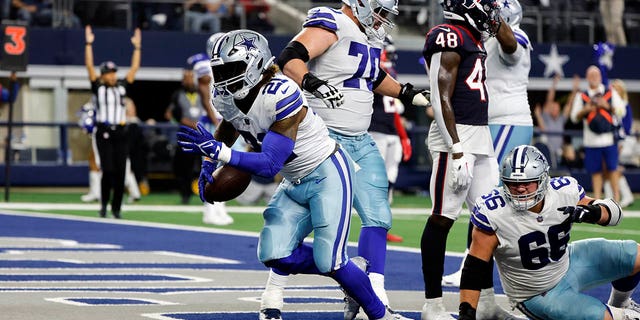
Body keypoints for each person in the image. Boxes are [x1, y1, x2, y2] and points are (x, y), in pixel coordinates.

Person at [177, 29, 398, 320]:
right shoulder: (225, 95)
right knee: (273, 253)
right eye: (220, 71)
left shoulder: (281, 93)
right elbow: (231, 125)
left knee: (329, 259)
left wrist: (220, 153)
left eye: (231, 69)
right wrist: (209, 163)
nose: (224, 79)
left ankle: (381, 315)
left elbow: (269, 165)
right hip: (295, 179)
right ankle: (352, 270)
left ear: (255, 64)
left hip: (327, 173)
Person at [259, 0, 430, 319]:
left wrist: (407, 93)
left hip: (360, 140)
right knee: (301, 216)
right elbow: (290, 58)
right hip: (322, 140)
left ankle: (374, 296)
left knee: (378, 213)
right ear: (360, 4)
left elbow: (370, 76)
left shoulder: (364, 38)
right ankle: (273, 293)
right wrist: (313, 83)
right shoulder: (332, 22)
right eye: (379, 11)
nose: (382, 20)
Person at [420, 1, 523, 319]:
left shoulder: (474, 35)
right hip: (456, 139)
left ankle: (486, 302)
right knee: (442, 218)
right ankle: (432, 305)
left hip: (480, 137)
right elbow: (440, 96)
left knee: (490, 221)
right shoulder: (447, 34)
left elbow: (512, 46)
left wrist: (492, 17)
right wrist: (456, 148)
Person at [457, 144, 640, 320]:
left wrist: (593, 213)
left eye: (528, 182)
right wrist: (466, 314)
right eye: (513, 183)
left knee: (636, 254)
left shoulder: (563, 191)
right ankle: (620, 314)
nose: (520, 189)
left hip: (569, 261)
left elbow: (615, 214)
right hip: (536, 294)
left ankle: (620, 303)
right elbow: (473, 270)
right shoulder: (493, 212)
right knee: (603, 317)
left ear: (544, 179)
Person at [441, 0, 535, 291]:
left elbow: (510, 47)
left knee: (488, 197)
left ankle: (473, 265)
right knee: (488, 198)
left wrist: (494, 22)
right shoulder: (483, 37)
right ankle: (482, 264)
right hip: (496, 121)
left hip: (508, 120)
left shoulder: (516, 35)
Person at [84, 25, 141, 219]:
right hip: (104, 131)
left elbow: (134, 69)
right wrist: (88, 44)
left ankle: (116, 208)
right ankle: (103, 205)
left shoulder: (122, 87)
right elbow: (89, 67)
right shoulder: (98, 87)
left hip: (121, 132)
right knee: (107, 170)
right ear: (103, 74)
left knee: (121, 172)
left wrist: (137, 48)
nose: (112, 75)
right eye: (108, 73)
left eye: (113, 72)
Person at [184, 34, 235, 225]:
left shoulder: (226, 64)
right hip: (213, 121)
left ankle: (219, 206)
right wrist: (216, 122)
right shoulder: (204, 65)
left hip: (225, 120)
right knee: (211, 164)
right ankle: (209, 208)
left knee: (224, 165)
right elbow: (205, 96)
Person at [368, 35, 412, 243]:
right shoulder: (369, 70)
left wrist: (403, 136)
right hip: (376, 129)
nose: (390, 56)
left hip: (391, 130)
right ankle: (373, 226)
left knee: (389, 179)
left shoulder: (390, 73)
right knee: (375, 181)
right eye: (388, 52)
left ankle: (382, 226)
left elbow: (395, 111)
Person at [570, 65, 626, 202]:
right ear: (587, 78)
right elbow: (573, 117)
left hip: (609, 139)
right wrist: (586, 109)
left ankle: (616, 199)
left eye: (596, 75)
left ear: (600, 77)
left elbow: (622, 111)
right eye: (591, 75)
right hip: (591, 141)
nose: (594, 78)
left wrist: (607, 106)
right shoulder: (581, 96)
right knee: (595, 172)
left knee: (613, 170)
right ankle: (597, 199)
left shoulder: (610, 92)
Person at [604, 79, 635, 208]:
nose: (614, 91)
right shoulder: (612, 105)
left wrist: (621, 143)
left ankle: (625, 196)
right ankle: (610, 197)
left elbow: (626, 127)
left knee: (613, 168)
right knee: (608, 168)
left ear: (621, 91)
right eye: (613, 88)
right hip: (613, 141)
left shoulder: (625, 105)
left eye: (617, 89)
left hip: (624, 142)